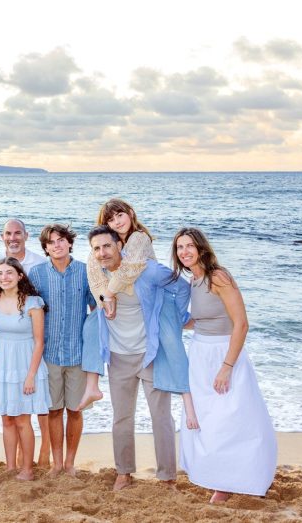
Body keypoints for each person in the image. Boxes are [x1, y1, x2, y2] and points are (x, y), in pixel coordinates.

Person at [173, 228, 276, 503]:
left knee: (231, 420)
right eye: (180, 247)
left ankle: (234, 482)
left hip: (224, 354)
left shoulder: (218, 276)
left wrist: (227, 366)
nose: (184, 251)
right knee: (206, 421)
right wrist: (173, 322)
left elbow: (241, 323)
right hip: (199, 354)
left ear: (201, 248)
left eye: (189, 246)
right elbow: (203, 320)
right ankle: (219, 478)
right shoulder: (193, 281)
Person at [79, 199, 198, 430]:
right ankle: (92, 385)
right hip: (125, 303)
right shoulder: (107, 245)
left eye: (120, 215)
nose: (116, 222)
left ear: (131, 213)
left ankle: (188, 400)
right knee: (92, 324)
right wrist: (104, 300)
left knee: (172, 345)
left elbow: (128, 270)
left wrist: (178, 315)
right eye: (110, 220)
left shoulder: (138, 238)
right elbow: (95, 277)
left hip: (152, 302)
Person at [88, 225, 190, 491]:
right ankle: (124, 472)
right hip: (118, 357)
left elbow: (182, 286)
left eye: (107, 246)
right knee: (122, 417)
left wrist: (175, 321)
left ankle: (167, 476)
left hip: (150, 354)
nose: (102, 253)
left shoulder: (146, 269)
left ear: (120, 246)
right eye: (96, 248)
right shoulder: (97, 277)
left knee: (161, 416)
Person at [27, 224, 94, 476]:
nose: (56, 245)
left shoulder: (86, 272)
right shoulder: (37, 274)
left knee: (75, 410)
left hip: (78, 353)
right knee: (54, 410)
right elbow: (28, 311)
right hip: (49, 355)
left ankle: (70, 464)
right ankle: (56, 463)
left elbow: (96, 310)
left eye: (61, 240)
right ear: (45, 248)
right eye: (51, 242)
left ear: (69, 243)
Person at [0, 258, 50, 481]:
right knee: (6, 418)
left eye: (9, 273)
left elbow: (39, 342)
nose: (4, 277)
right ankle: (10, 467)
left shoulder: (33, 303)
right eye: (0, 273)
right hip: (1, 365)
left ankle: (27, 469)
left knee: (22, 419)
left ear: (20, 275)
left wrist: (31, 376)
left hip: (25, 364)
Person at [0, 218, 50, 467]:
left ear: (26, 235)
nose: (13, 238)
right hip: (12, 342)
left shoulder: (39, 263)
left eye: (17, 233)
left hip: (36, 338)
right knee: (14, 406)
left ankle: (44, 452)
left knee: (39, 402)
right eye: (8, 234)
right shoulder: (1, 266)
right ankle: (18, 458)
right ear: (2, 237)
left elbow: (42, 302)